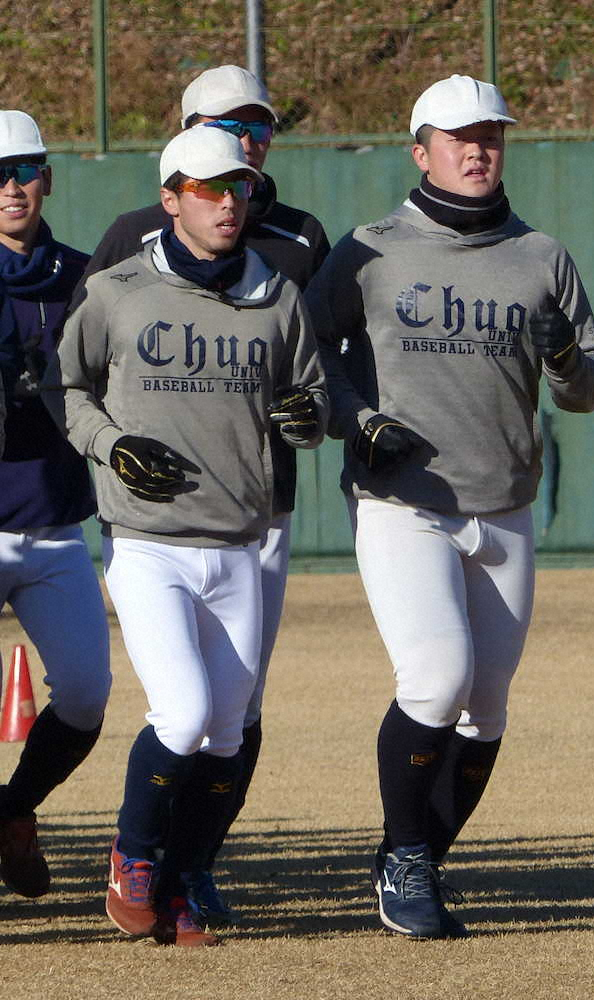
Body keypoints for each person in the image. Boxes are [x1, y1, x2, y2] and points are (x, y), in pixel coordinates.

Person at [305, 74, 594, 940]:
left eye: (491, 136)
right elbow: (308, 351)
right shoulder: (370, 250)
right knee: (437, 679)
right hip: (404, 501)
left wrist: (565, 361)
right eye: (459, 137)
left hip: (504, 503)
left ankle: (414, 857)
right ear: (421, 151)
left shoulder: (541, 255)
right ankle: (407, 861)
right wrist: (355, 420)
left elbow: (588, 387)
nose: (479, 150)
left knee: (487, 707)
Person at [43, 125, 327, 946]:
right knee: (184, 711)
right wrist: (110, 444)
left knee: (229, 731)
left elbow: (312, 400)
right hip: (148, 541)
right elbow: (67, 387)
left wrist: (307, 419)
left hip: (239, 539)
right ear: (170, 200)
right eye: (208, 189)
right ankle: (131, 856)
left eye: (238, 186)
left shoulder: (276, 295)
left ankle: (175, 888)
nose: (228, 202)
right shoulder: (119, 290)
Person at [0, 111, 111, 900]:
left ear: (47, 178)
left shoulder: (85, 276)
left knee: (84, 693)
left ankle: (13, 810)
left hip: (53, 519)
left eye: (24, 170)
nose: (11, 187)